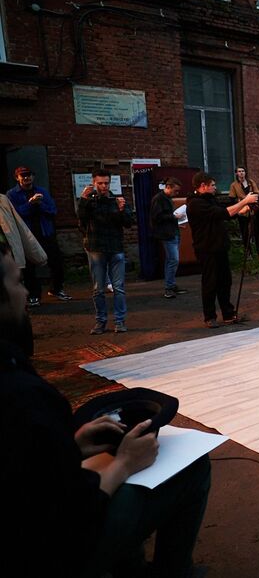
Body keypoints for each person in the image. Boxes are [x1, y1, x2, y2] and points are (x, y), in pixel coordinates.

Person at [0, 239, 212, 577]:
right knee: (191, 467)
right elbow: (68, 513)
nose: (26, 295)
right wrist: (125, 464)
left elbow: (25, 471)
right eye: (17, 283)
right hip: (51, 554)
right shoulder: (19, 394)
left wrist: (73, 446)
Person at [187, 171, 258, 328]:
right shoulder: (195, 204)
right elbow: (222, 212)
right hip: (206, 249)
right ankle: (209, 316)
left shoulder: (210, 200)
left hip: (220, 247)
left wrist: (241, 210)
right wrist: (244, 201)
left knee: (225, 282)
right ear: (202, 186)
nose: (215, 187)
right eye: (212, 185)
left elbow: (226, 213)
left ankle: (228, 313)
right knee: (210, 283)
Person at [78, 169, 133, 335]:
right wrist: (83, 200)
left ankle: (120, 321)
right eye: (100, 183)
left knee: (119, 288)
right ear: (94, 182)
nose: (103, 186)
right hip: (96, 248)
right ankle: (100, 322)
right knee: (98, 289)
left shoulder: (117, 200)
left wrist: (123, 210)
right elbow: (81, 219)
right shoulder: (89, 201)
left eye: (106, 183)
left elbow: (129, 223)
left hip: (115, 247)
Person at [6, 167, 68, 305]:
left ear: (33, 177)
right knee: (29, 268)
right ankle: (33, 295)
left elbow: (53, 210)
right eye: (23, 176)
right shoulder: (11, 195)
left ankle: (56, 288)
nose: (26, 178)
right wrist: (29, 204)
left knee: (56, 261)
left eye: (29, 175)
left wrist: (40, 204)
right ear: (17, 178)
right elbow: (15, 215)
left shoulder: (42, 191)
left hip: (45, 231)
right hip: (27, 235)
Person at [149, 177, 186, 299]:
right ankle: (169, 287)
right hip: (167, 234)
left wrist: (177, 223)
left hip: (172, 232)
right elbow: (156, 217)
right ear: (168, 187)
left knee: (171, 260)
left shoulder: (165, 199)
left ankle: (171, 285)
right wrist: (174, 218)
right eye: (175, 191)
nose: (177, 193)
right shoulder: (159, 199)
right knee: (173, 260)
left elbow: (163, 217)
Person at [228, 166, 259, 246]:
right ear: (236, 173)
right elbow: (232, 198)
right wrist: (242, 200)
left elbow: (256, 193)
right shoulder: (234, 185)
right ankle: (247, 250)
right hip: (242, 210)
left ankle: (257, 247)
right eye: (239, 171)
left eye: (243, 171)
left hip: (252, 209)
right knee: (244, 230)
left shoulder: (251, 182)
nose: (241, 173)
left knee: (255, 229)